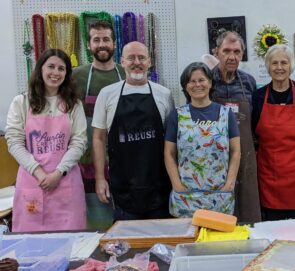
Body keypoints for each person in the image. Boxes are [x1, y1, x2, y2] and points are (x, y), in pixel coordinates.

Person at [5, 49, 86, 232]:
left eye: (61, 68)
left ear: (67, 74)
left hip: (65, 182)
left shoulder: (74, 105)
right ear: (40, 69)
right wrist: (39, 172)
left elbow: (78, 143)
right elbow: (14, 142)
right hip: (32, 182)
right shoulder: (22, 102)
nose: (55, 73)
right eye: (51, 66)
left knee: (72, 245)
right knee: (31, 245)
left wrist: (58, 173)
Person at [92, 41, 174, 220]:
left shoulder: (164, 94)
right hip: (123, 187)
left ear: (149, 61)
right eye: (131, 58)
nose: (137, 62)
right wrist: (100, 178)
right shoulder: (107, 94)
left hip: (158, 187)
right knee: (127, 245)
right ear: (122, 62)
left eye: (141, 58)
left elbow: (171, 143)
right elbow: (98, 138)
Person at [165, 62, 241, 217]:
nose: (197, 84)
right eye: (192, 81)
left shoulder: (226, 114)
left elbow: (236, 151)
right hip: (187, 196)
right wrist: (176, 184)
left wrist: (230, 183)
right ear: (185, 86)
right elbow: (169, 153)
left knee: (217, 240)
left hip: (220, 195)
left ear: (210, 83)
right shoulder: (177, 115)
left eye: (202, 80)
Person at [72, 20, 125, 229]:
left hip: (122, 159)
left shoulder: (126, 73)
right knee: (96, 222)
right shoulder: (76, 76)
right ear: (89, 45)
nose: (101, 44)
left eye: (106, 39)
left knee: (123, 220)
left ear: (114, 43)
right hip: (88, 162)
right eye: (96, 40)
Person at [252, 44, 295, 220]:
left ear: (291, 66)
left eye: (284, 63)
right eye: (274, 63)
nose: (279, 68)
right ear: (268, 66)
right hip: (268, 173)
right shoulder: (258, 96)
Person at [212, 31, 261, 222]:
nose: (231, 56)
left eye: (237, 52)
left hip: (244, 153)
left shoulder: (249, 82)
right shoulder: (206, 80)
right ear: (216, 52)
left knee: (246, 208)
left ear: (242, 54)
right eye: (226, 51)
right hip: (213, 156)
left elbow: (255, 120)